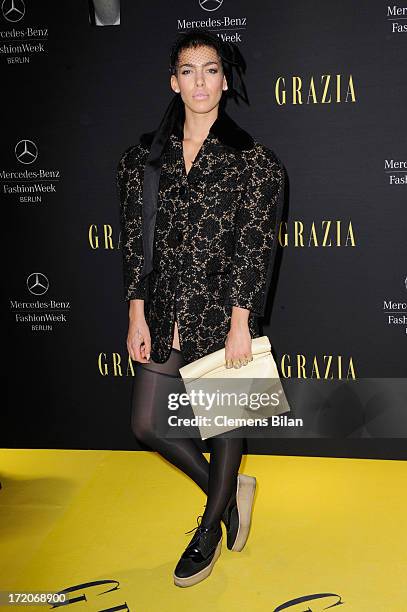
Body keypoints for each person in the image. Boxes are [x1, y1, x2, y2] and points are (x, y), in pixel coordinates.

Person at [117, 28, 285, 588]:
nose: (200, 81)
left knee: (224, 425)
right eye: (188, 70)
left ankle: (210, 526)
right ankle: (227, 486)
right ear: (174, 81)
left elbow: (253, 249)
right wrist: (136, 315)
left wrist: (243, 323)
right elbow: (136, 245)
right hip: (164, 309)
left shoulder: (254, 162)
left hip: (224, 313)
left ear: (224, 79)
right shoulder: (144, 160)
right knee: (146, 423)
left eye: (211, 69)